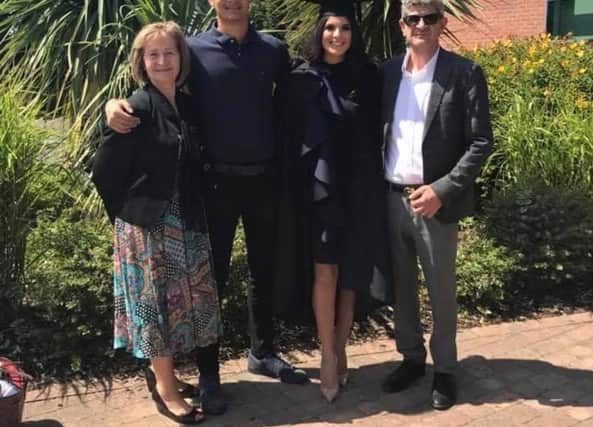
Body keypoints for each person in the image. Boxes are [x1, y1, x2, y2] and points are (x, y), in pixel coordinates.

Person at [104, 0, 309, 415]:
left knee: (262, 269)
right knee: (207, 283)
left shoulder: (272, 49)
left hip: (264, 179)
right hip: (212, 185)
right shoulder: (191, 50)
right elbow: (152, 92)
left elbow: (294, 103)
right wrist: (111, 107)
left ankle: (263, 353)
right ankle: (209, 375)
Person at [91, 21, 222, 424]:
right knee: (157, 307)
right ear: (142, 62)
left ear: (181, 58)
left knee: (185, 304)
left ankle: (162, 372)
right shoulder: (137, 107)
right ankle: (166, 387)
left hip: (186, 222)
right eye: (153, 54)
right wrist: (129, 217)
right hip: (148, 226)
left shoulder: (186, 102)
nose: (162, 61)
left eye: (169, 53)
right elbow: (103, 169)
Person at [276, 0, 392, 403]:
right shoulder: (300, 79)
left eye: (344, 28)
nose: (337, 35)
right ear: (319, 32)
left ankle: (341, 348)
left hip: (359, 188)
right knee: (325, 273)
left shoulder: (369, 76)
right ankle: (327, 354)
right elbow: (289, 137)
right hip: (320, 192)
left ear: (353, 33)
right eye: (330, 28)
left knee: (351, 277)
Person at [379, 0, 493, 410]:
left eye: (430, 17)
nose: (421, 25)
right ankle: (411, 358)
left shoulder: (464, 72)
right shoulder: (388, 73)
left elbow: (481, 142)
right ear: (402, 25)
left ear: (443, 22)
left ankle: (445, 368)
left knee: (441, 290)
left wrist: (442, 189)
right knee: (402, 288)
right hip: (392, 198)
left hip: (436, 203)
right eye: (414, 18)